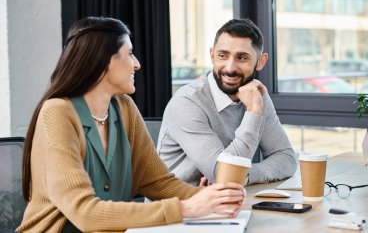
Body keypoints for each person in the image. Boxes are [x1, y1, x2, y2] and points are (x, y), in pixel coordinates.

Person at [17, 17, 245, 233]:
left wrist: (213, 198)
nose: (136, 65)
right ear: (103, 60)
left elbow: (158, 183)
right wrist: (186, 209)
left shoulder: (124, 108)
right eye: (130, 54)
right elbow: (84, 213)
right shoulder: (58, 112)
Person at [157, 18, 297, 186]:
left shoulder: (257, 97)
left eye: (242, 58)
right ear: (212, 55)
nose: (230, 68)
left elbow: (287, 159)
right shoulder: (187, 101)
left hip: (225, 204)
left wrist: (245, 175)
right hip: (177, 209)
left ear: (260, 62)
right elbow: (224, 175)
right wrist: (253, 112)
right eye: (222, 56)